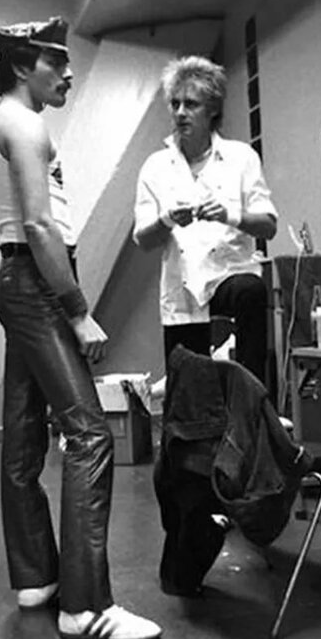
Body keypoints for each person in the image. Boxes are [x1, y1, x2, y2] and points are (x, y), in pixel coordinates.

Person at [0, 16, 160, 639]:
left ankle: (36, 578)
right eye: (57, 61)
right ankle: (85, 606)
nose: (70, 72)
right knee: (89, 435)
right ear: (24, 65)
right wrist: (78, 310)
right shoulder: (23, 124)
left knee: (26, 437)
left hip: (20, 281)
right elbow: (39, 226)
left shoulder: (2, 122)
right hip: (36, 282)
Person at [133, 56, 277, 390]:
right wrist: (167, 219)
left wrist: (230, 214)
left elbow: (268, 225)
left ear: (212, 109)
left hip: (227, 275)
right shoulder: (155, 167)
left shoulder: (242, 158)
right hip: (182, 288)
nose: (180, 112)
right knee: (189, 395)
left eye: (191, 104)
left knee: (251, 291)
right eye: (175, 104)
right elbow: (142, 239)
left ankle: (254, 407)